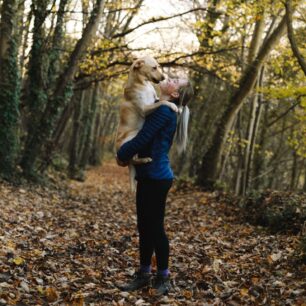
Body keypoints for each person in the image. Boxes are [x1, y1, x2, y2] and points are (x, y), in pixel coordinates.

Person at [116, 77, 194, 295]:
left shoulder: (164, 112)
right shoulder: (160, 108)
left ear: (175, 94)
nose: (169, 77)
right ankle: (143, 273)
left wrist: (122, 154)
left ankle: (163, 277)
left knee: (155, 227)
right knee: (144, 226)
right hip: (150, 175)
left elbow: (143, 139)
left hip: (157, 178)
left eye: (175, 80)